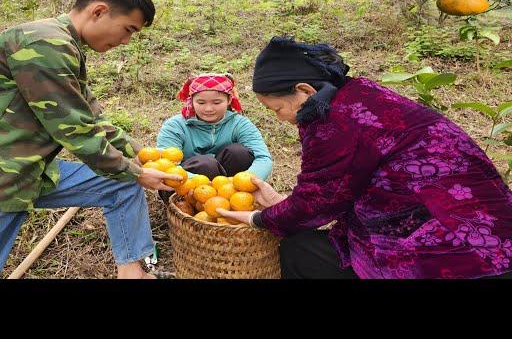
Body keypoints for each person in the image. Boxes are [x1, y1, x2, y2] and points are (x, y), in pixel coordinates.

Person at [0, 0, 183, 279]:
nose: (126, 41)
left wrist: (143, 154)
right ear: (98, 11)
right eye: (128, 30)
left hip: (24, 173)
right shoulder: (45, 43)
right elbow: (74, 130)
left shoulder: (65, 45)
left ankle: (133, 272)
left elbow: (93, 118)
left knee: (119, 183)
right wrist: (138, 172)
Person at [218, 35, 512, 279]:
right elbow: (331, 189)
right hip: (497, 233)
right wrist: (288, 207)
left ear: (304, 90)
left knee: (300, 252)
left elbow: (317, 202)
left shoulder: (335, 123)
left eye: (277, 108)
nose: (281, 118)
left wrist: (260, 218)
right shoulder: (361, 93)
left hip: (454, 253)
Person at [156, 73, 273, 203]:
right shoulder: (176, 126)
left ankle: (235, 202)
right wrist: (210, 185)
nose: (208, 108)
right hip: (184, 188)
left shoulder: (239, 124)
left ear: (229, 100)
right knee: (207, 165)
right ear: (191, 100)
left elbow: (263, 158)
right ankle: (189, 206)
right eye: (201, 102)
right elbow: (165, 165)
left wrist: (240, 182)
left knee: (239, 153)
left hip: (231, 193)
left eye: (217, 102)